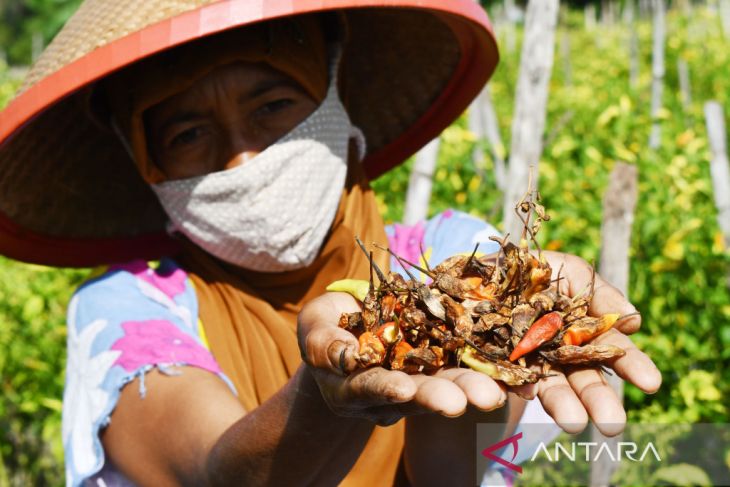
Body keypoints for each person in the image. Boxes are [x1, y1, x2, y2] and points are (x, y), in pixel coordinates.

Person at [0, 1, 661, 486]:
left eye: (273, 105)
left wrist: (457, 364)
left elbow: (447, 465)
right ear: (143, 160)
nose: (241, 159)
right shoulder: (124, 313)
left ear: (333, 91)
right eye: (186, 134)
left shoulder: (457, 250)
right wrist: (322, 391)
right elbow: (220, 470)